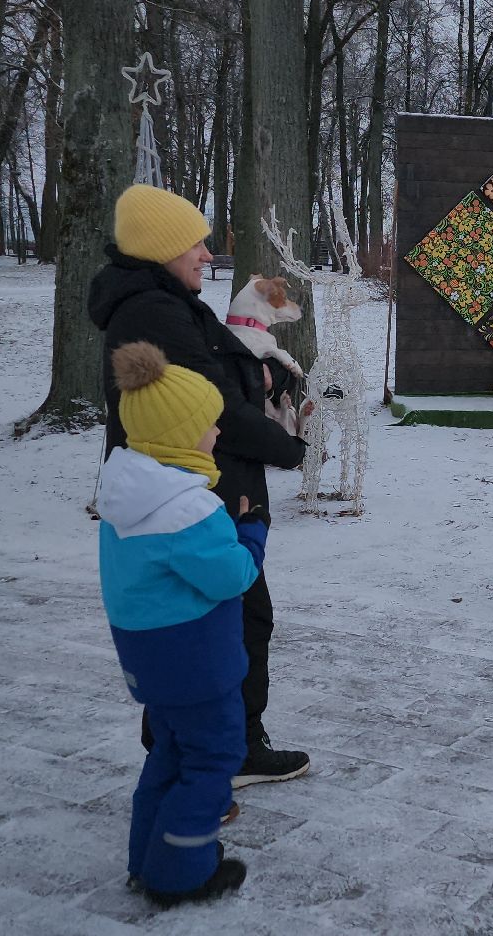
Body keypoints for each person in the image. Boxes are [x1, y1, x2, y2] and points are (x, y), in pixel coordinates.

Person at [89, 184, 310, 789]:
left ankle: (208, 752)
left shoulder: (169, 301)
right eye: (197, 243)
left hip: (204, 481)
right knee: (214, 621)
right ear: (162, 248)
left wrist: (258, 372)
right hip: (197, 488)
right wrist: (289, 449)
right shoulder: (153, 311)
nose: (208, 256)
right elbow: (206, 406)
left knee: (218, 620)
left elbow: (217, 371)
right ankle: (204, 763)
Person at [95, 342, 262, 906]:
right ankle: (180, 872)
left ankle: (148, 859)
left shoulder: (129, 497)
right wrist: (252, 535)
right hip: (196, 664)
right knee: (213, 759)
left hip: (152, 664)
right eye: (208, 426)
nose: (217, 434)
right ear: (179, 436)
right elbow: (230, 576)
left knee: (169, 754)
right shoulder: (187, 510)